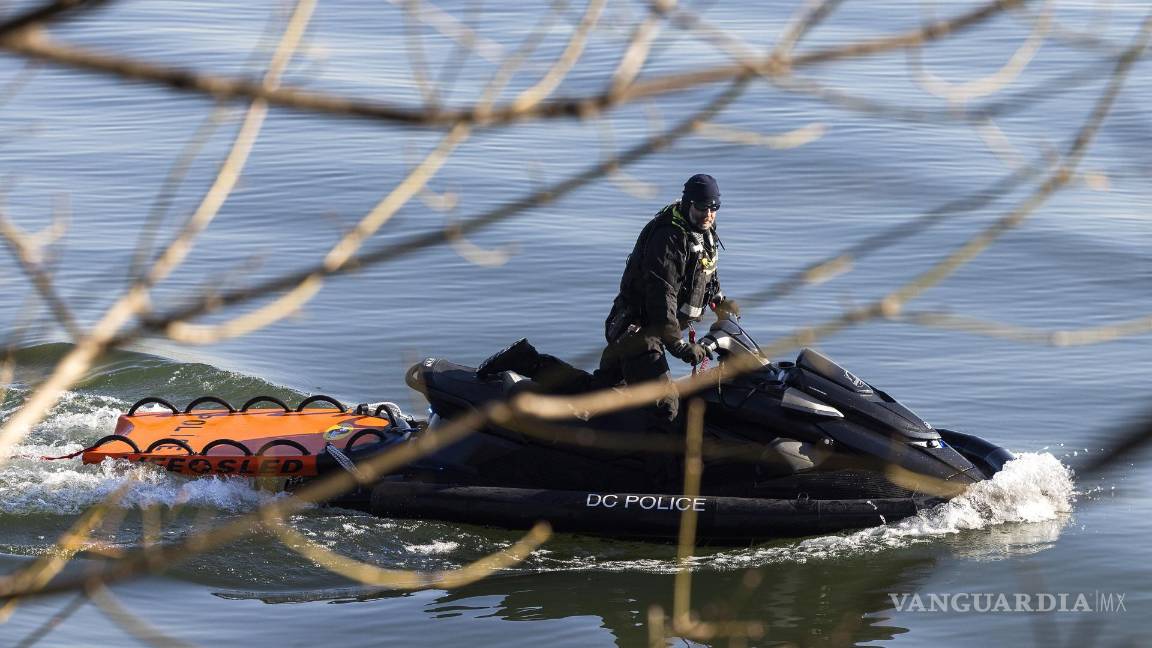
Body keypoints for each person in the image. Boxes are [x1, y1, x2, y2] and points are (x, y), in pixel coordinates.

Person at [477, 173, 739, 428]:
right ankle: (649, 466)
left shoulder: (701, 229)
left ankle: (526, 359)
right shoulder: (668, 239)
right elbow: (662, 297)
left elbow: (705, 271)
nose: (708, 214)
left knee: (597, 393)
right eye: (702, 207)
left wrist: (720, 302)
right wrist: (679, 346)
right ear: (687, 203)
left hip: (653, 330)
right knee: (666, 408)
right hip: (637, 333)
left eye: (714, 208)